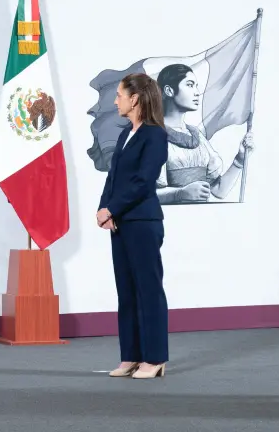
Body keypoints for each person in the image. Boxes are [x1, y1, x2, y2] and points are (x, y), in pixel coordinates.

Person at [96, 73, 170, 379]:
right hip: (121, 224)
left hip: (143, 222)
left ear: (135, 98)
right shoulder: (127, 132)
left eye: (119, 95)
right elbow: (113, 177)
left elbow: (142, 181)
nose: (116, 101)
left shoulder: (154, 135)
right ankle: (131, 356)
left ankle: (155, 359)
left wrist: (113, 207)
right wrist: (104, 207)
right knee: (126, 291)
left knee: (148, 291)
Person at [155, 63, 252, 204]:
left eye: (196, 86)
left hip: (202, 219)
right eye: (189, 85)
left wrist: (240, 159)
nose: (196, 92)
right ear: (169, 91)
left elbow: (219, 191)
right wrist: (180, 193)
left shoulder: (197, 135)